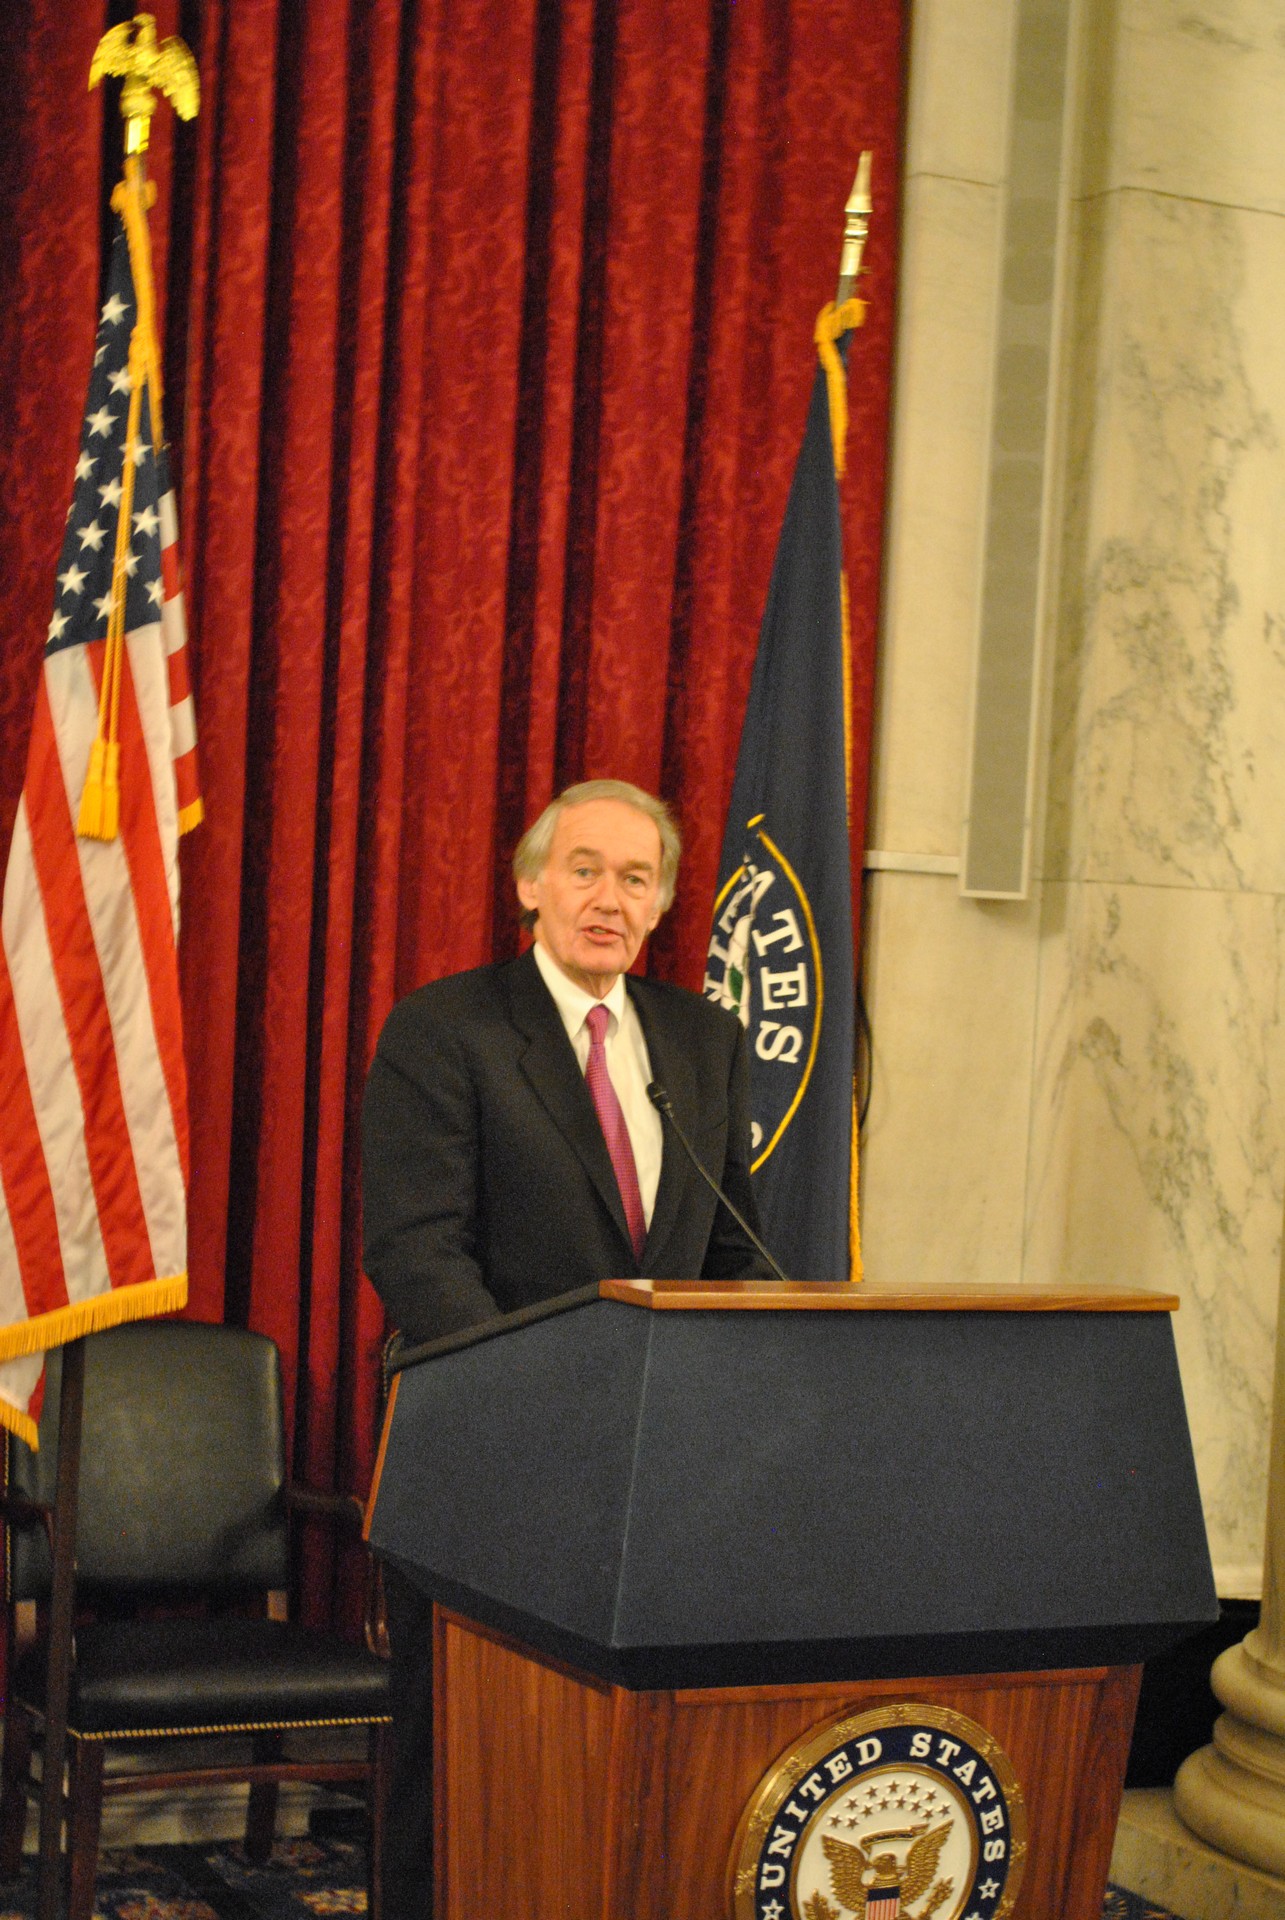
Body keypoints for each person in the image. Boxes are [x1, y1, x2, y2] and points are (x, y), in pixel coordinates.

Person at [361, 777, 771, 1920]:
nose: (608, 898)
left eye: (636, 878)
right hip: (483, 1448)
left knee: (620, 1751)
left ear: (663, 905)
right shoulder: (446, 1030)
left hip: (660, 1466)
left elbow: (732, 1244)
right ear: (530, 884)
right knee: (457, 1753)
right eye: (584, 869)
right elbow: (416, 1253)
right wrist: (557, 1396)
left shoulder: (702, 1040)